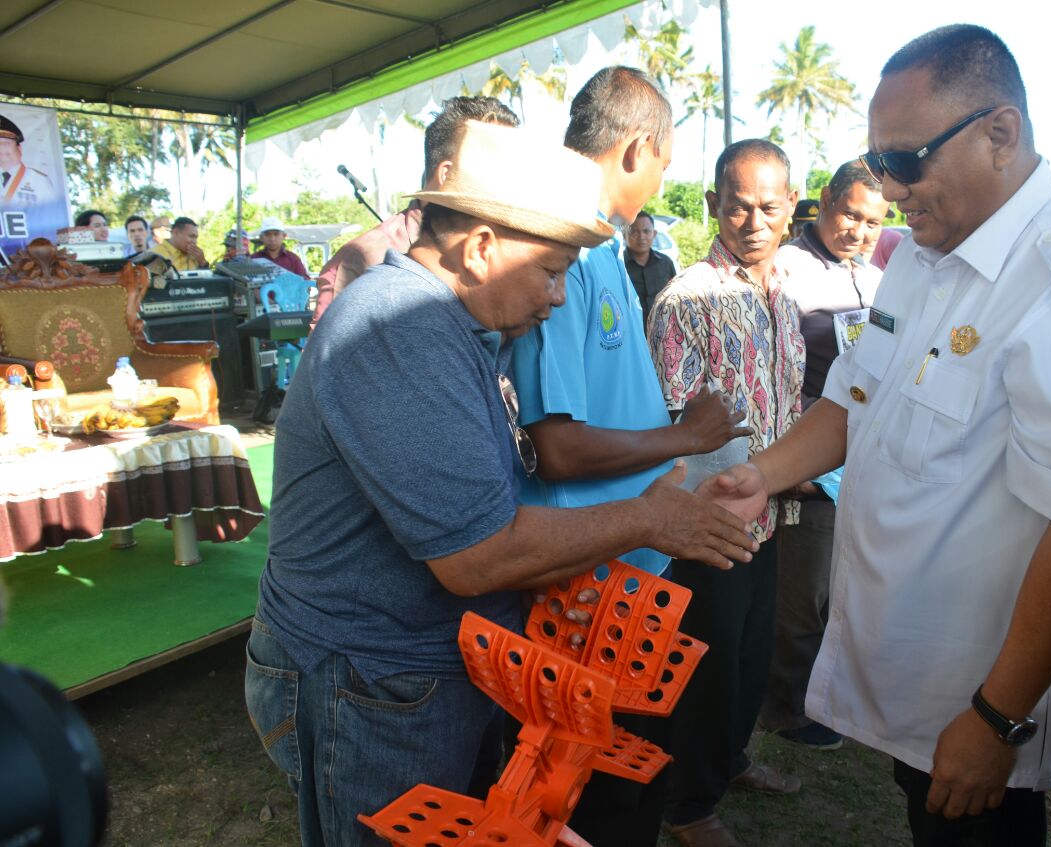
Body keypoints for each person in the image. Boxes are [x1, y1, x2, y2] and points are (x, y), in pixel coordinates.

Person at [699, 25, 1051, 846]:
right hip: (912, 672)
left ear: (1000, 133)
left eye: (908, 159)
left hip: (983, 691)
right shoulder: (925, 252)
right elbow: (856, 398)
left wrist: (997, 719)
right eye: (879, 161)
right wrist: (762, 476)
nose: (890, 187)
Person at [245, 119, 759, 847]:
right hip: (365, 680)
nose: (556, 297)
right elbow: (477, 555)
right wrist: (649, 520)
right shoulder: (401, 325)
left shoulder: (445, 324)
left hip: (408, 669)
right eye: (550, 271)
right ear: (481, 248)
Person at [509, 66, 748, 847]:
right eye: (668, 161)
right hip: (587, 589)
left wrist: (673, 427)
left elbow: (602, 408)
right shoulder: (563, 249)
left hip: (634, 573)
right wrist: (685, 437)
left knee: (637, 781)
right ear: (641, 146)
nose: (662, 179)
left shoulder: (608, 249)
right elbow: (558, 445)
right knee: (594, 798)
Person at [648, 138, 806, 847]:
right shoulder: (688, 297)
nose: (752, 220)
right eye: (737, 205)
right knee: (707, 661)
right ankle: (689, 806)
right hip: (709, 522)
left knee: (747, 654)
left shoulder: (783, 293)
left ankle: (731, 760)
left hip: (770, 514)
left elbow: (791, 399)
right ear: (712, 205)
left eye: (769, 206)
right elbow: (674, 416)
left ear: (791, 209)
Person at [762, 160, 888, 751]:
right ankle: (788, 707)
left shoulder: (871, 274)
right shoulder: (786, 269)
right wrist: (796, 464)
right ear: (825, 201)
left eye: (872, 222)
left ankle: (823, 694)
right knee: (802, 591)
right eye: (850, 214)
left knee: (841, 588)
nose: (858, 231)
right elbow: (773, 374)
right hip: (809, 458)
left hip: (860, 457)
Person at [311, 96, 518, 328]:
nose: (510, 180)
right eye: (498, 166)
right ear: (447, 175)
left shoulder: (506, 253)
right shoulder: (362, 259)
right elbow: (330, 358)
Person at [623, 210, 677, 329]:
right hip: (631, 333)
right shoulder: (619, 266)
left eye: (646, 231)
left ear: (654, 233)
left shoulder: (666, 263)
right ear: (624, 235)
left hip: (664, 333)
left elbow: (675, 298)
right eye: (634, 232)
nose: (641, 236)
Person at [0, 115, 55, 208]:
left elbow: (52, 215)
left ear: (19, 149)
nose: (1, 149)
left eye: (6, 143)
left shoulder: (39, 181)